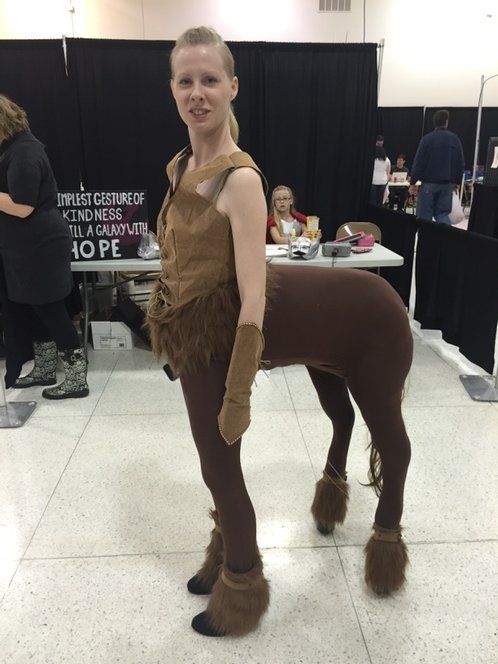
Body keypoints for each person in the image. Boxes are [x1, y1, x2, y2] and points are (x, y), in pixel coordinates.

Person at [147, 26, 412, 638]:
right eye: (185, 81)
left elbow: (254, 292)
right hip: (194, 334)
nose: (197, 93)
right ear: (172, 89)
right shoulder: (183, 165)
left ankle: (243, 586)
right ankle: (225, 555)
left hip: (227, 333)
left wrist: (238, 392)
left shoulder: (240, 179)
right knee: (225, 461)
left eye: (209, 80)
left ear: (232, 86)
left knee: (222, 465)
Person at [0, 95, 89, 399]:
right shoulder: (16, 147)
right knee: (34, 306)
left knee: (49, 309)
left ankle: (77, 378)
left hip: (38, 245)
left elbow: (22, 206)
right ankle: (45, 367)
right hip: (25, 246)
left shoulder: (23, 152)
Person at [409, 109, 465, 224]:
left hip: (429, 184)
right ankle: (444, 240)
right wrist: (457, 182)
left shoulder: (427, 139)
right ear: (446, 122)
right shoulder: (454, 139)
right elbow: (460, 162)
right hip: (446, 184)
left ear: (434, 122)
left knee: (424, 216)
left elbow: (419, 162)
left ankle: (425, 241)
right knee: (443, 214)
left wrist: (413, 182)